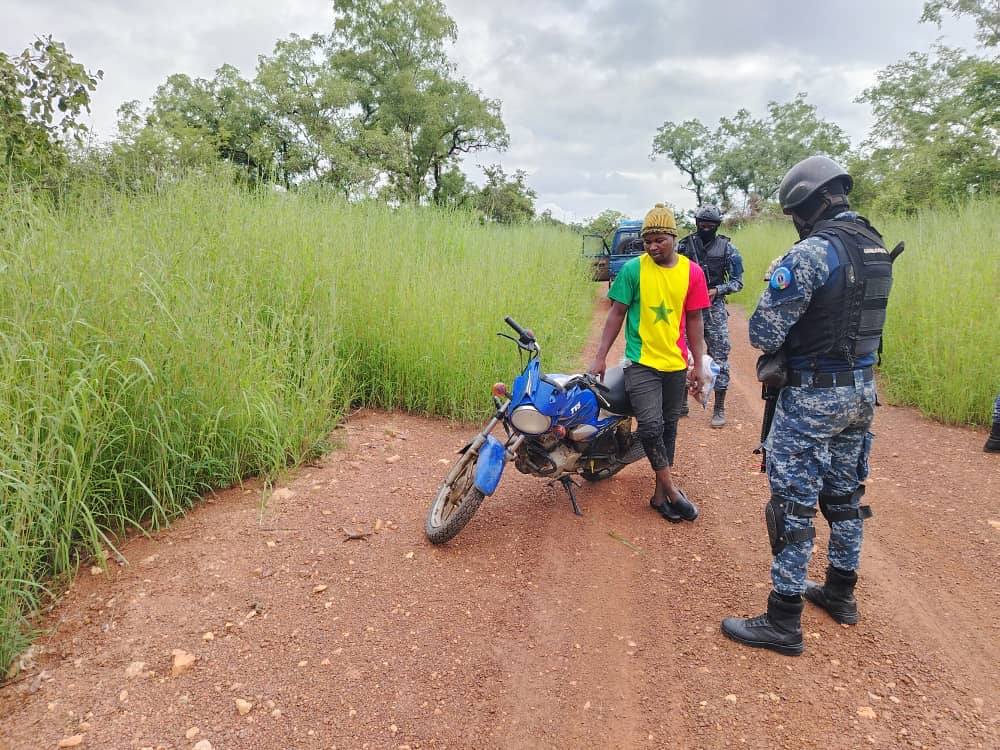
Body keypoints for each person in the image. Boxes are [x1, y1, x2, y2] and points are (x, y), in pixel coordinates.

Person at [721, 156, 893, 655]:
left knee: (793, 503)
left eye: (796, 212)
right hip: (861, 391)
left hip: (814, 395)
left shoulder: (813, 253)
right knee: (843, 497)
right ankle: (841, 592)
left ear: (809, 205)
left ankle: (784, 619)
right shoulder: (875, 246)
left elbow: (763, 332)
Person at [589, 203, 711, 523]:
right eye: (648, 241)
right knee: (651, 426)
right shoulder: (634, 270)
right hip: (641, 361)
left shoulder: (692, 272)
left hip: (675, 364)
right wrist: (600, 356)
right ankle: (672, 489)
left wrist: (698, 364)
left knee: (669, 428)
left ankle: (659, 497)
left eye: (660, 239)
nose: (653, 246)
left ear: (673, 237)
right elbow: (616, 315)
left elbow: (695, 320)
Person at [678, 205, 744, 427]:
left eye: (710, 225)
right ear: (696, 223)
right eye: (702, 224)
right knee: (682, 355)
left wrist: (717, 290)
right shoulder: (684, 246)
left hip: (714, 309)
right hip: (688, 308)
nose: (705, 228)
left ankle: (719, 407)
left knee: (721, 357)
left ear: (717, 226)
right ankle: (682, 401)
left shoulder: (728, 249)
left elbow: (737, 282)